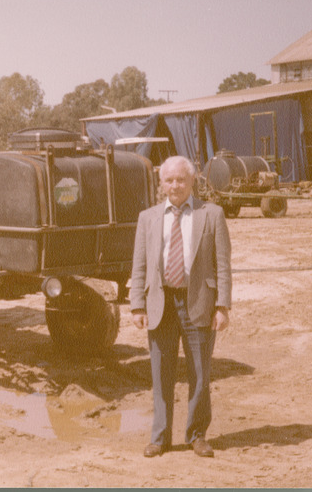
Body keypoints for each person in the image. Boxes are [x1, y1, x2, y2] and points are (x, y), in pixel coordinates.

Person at [129, 155, 231, 458]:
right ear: (162, 183)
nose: (175, 185)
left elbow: (223, 265)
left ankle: (196, 434)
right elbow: (140, 265)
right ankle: (160, 438)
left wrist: (222, 306)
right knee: (161, 374)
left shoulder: (212, 214)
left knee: (200, 373)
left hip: (198, 303)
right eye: (169, 180)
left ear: (192, 182)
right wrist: (137, 305)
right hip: (161, 305)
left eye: (181, 180)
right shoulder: (147, 217)